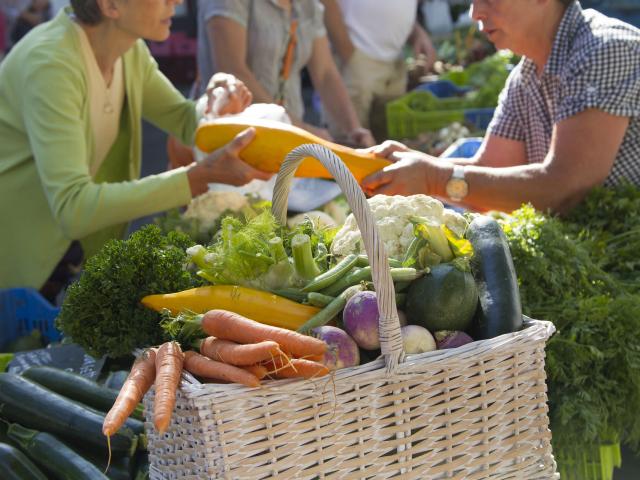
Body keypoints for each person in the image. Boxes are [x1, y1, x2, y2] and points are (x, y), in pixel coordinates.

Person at [0, 0, 272, 298]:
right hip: (16, 267)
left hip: (65, 262)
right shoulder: (50, 65)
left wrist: (217, 102)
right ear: (110, 6)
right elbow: (73, 208)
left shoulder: (128, 49)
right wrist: (194, 178)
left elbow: (184, 120)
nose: (177, 2)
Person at [361, 0, 640, 215]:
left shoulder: (606, 50)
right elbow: (489, 169)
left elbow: (564, 187)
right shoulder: (525, 77)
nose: (475, 13)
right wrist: (411, 167)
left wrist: (433, 176)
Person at [196, 0, 375, 146]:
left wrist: (353, 129)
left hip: (287, 143)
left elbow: (325, 73)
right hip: (231, 139)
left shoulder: (308, 5)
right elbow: (232, 69)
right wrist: (301, 129)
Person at [321, 0, 437, 130]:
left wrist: (417, 33)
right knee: (351, 141)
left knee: (390, 142)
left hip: (394, 62)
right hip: (357, 60)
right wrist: (349, 54)